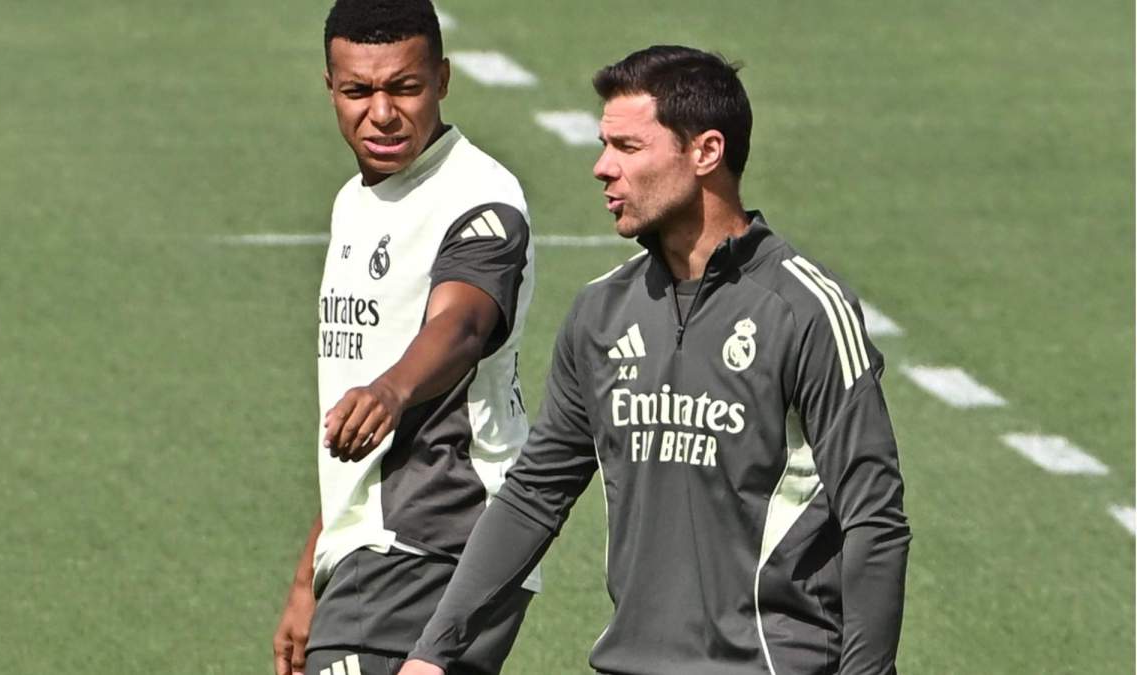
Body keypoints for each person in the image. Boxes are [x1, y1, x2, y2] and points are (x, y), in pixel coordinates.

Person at [400, 45, 911, 675]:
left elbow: (874, 518)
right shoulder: (601, 314)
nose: (601, 168)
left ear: (706, 153)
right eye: (603, 144)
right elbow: (533, 496)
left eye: (627, 147)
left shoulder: (803, 310)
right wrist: (433, 652)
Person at [271, 2, 539, 674]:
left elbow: (463, 322)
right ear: (330, 88)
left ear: (442, 79)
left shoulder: (480, 195)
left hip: (434, 532)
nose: (382, 113)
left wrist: (393, 387)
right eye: (359, 91)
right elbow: (354, 416)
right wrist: (311, 573)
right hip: (374, 547)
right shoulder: (353, 203)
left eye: (405, 87)